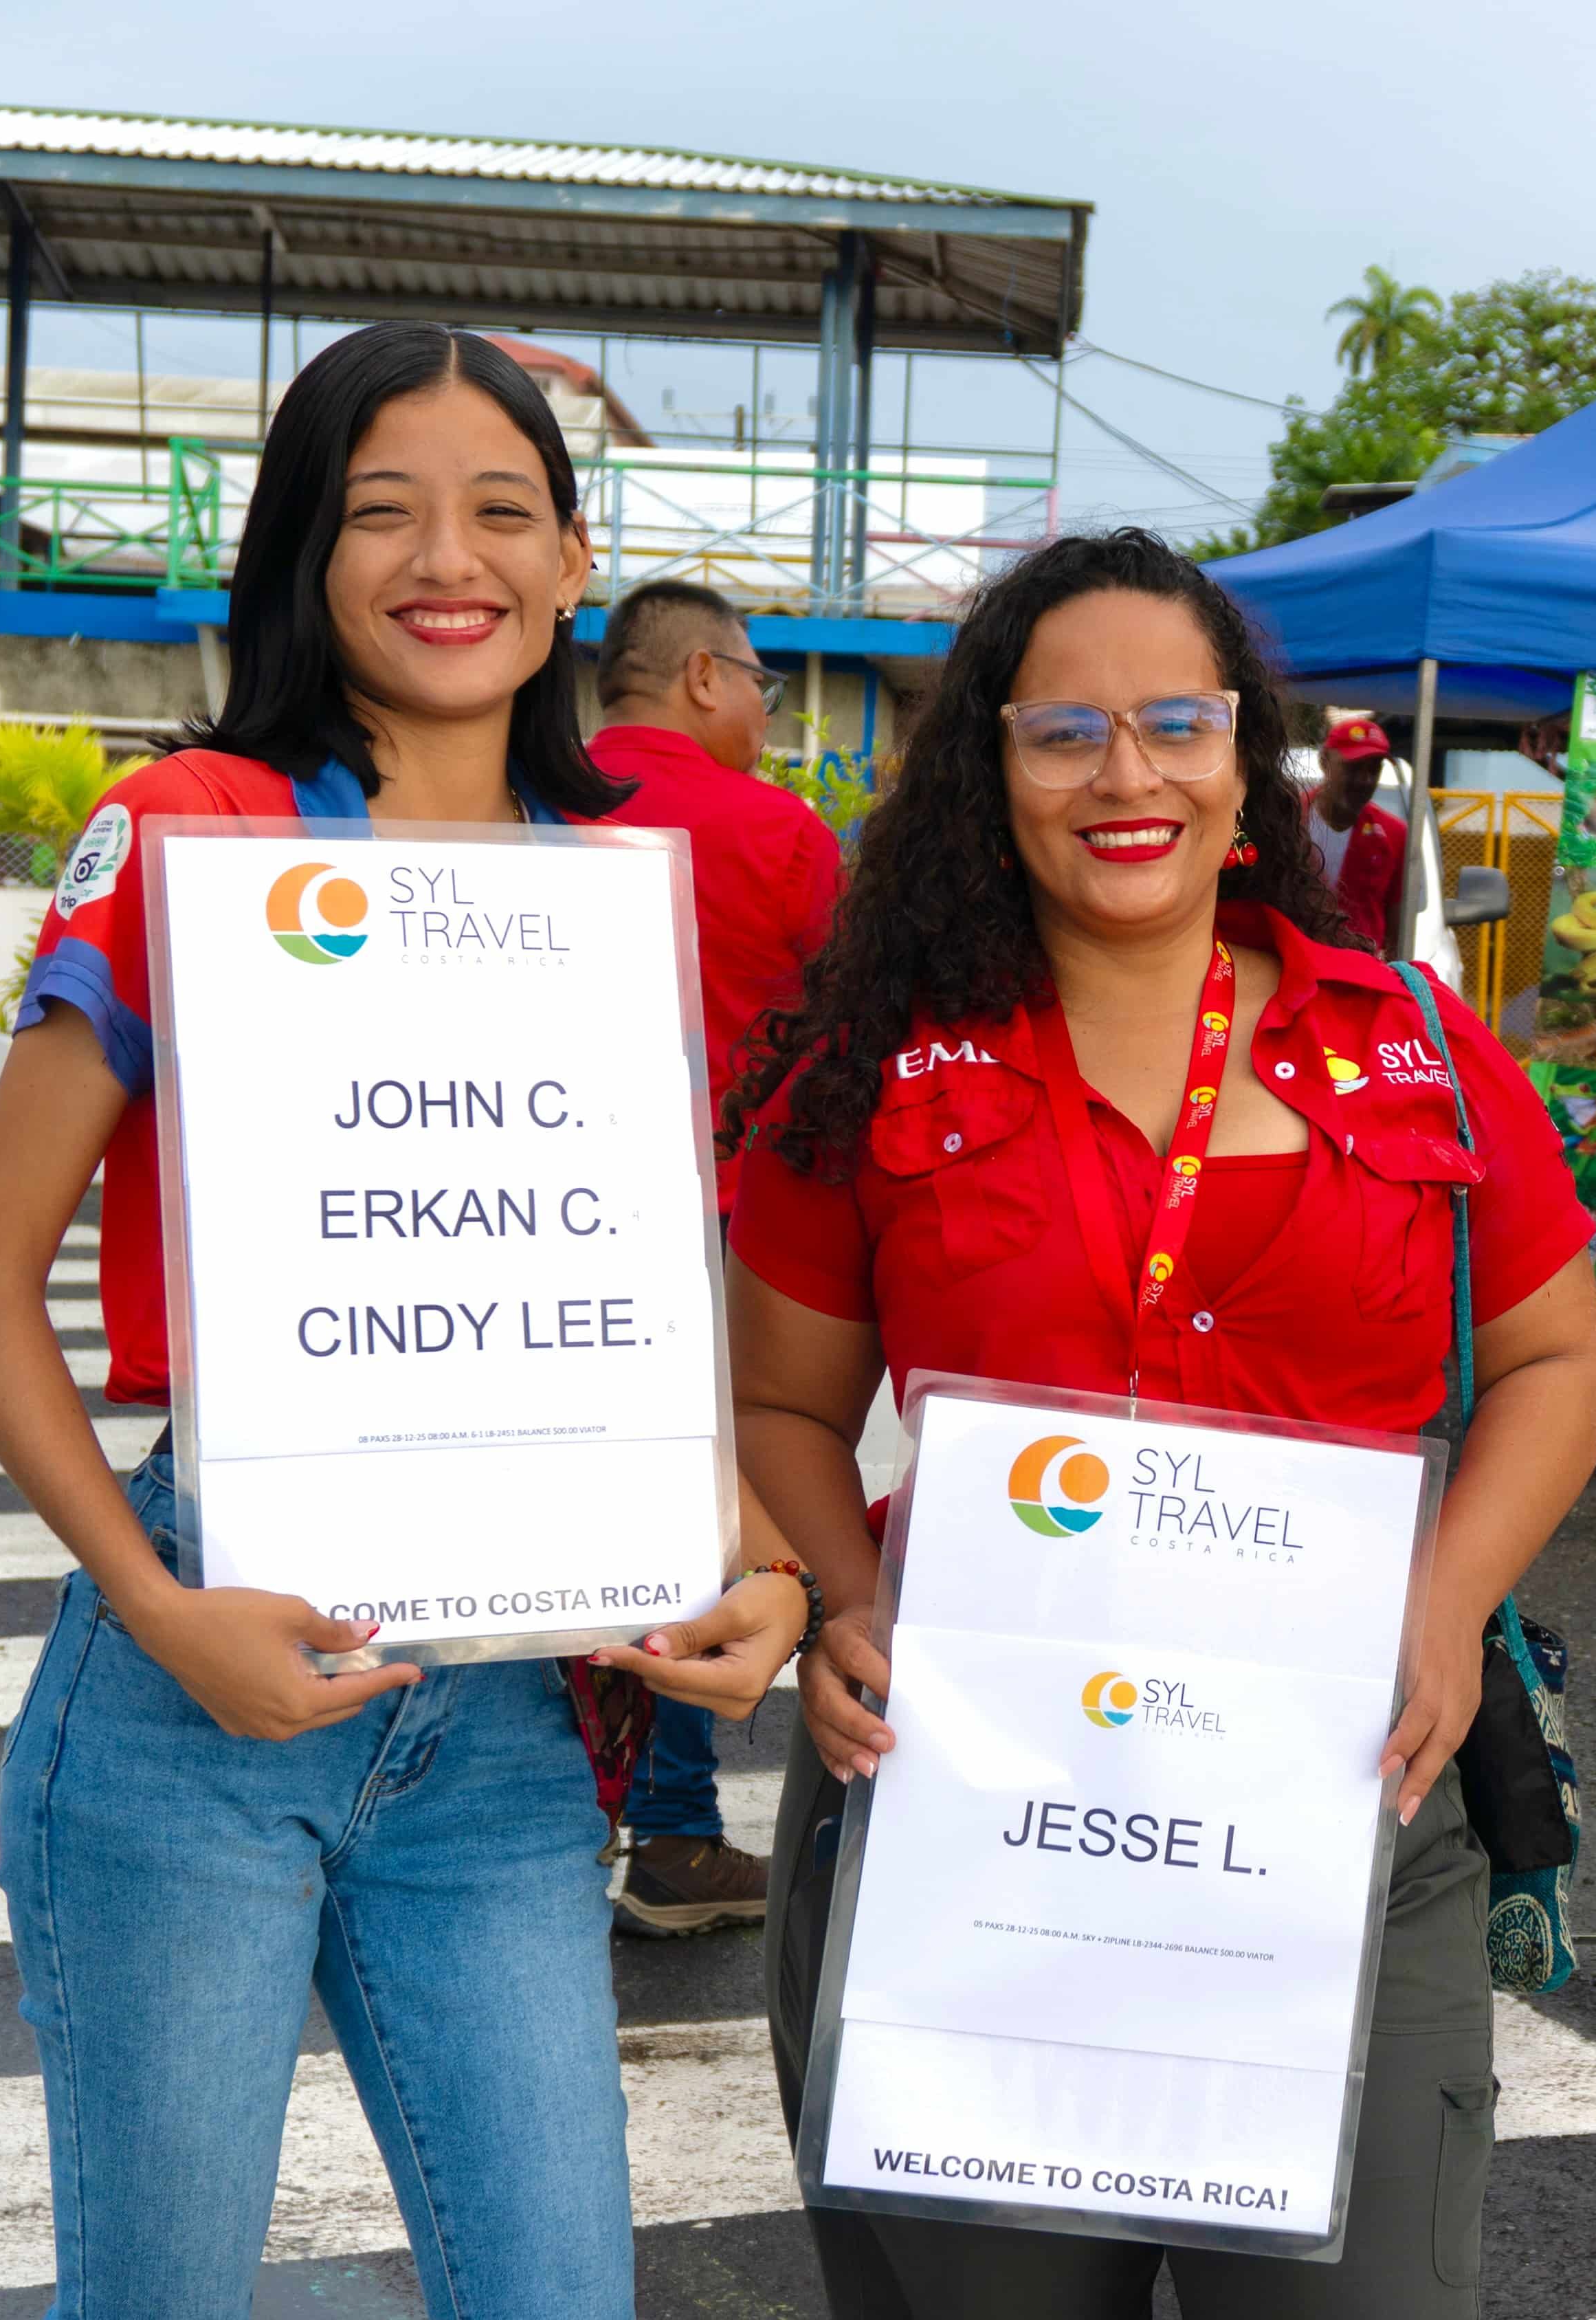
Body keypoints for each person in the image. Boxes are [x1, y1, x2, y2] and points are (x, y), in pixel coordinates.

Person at [0, 322, 814, 2319]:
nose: (447, 560)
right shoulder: (192, 829)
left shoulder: (614, 890)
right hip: (196, 1689)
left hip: (502, 1729)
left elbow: (620, 1309)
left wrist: (759, 1567)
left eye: (501, 510)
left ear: (573, 562)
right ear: (302, 553)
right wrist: (159, 1610)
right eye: (381, 511)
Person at [722, 527, 1596, 2318]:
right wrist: (840, 1597)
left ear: (1243, 755)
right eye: (1066, 731)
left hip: (1344, 1816)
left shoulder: (1416, 1044)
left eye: (1176, 723)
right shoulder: (875, 1065)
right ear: (993, 770)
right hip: (973, 1817)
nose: (1126, 774)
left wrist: (1448, 1598)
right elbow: (776, 1405)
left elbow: (1555, 1359)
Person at [593, 576, 847, 1936]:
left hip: (527, 1223)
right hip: (725, 1227)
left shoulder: (520, 804)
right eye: (758, 678)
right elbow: (847, 1039)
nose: (763, 705)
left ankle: (559, 1815)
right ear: (702, 676)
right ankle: (678, 1832)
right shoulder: (776, 832)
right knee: (697, 1510)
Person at [1307, 713, 1407, 946]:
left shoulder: (1393, 835)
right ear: (1324, 761)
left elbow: (1395, 930)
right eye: (1353, 768)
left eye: (1374, 770)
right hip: (1292, 960)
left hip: (1359, 963)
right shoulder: (1289, 820)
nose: (1365, 780)